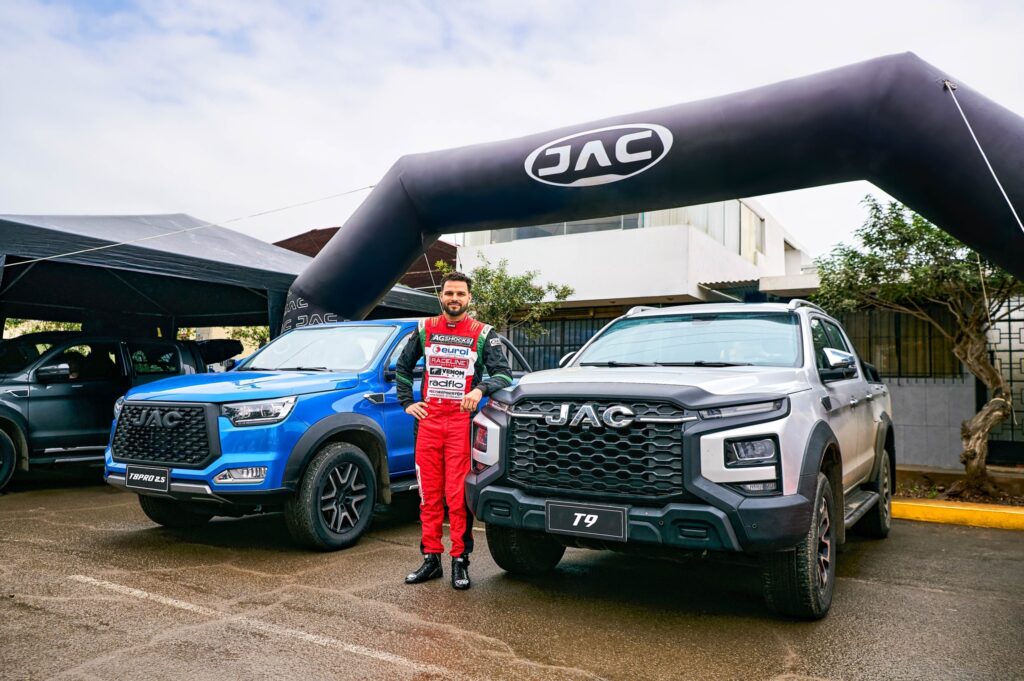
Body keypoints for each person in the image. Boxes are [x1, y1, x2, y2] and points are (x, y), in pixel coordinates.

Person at [396, 271, 513, 590]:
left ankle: (460, 561)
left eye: (460, 294)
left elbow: (504, 374)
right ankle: (431, 559)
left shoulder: (482, 333)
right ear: (441, 296)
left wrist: (480, 389)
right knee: (429, 496)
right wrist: (407, 402)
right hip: (428, 424)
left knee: (458, 498)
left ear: (469, 298)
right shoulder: (424, 329)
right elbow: (402, 368)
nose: (454, 299)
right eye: (449, 293)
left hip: (462, 424)